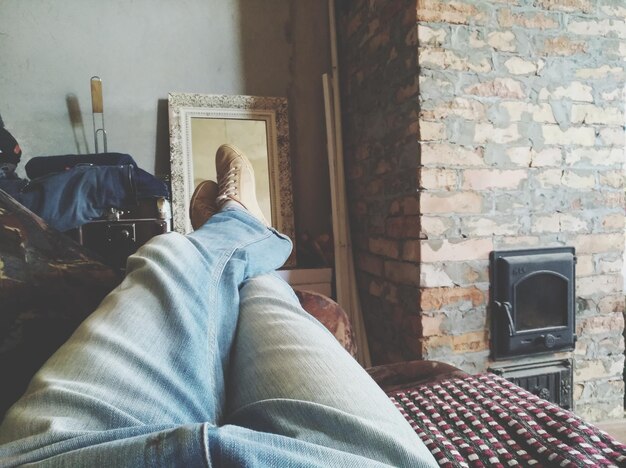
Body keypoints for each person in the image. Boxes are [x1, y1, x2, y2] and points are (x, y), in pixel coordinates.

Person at [0, 144, 437, 467]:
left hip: (69, 452)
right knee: (248, 286)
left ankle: (237, 233)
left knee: (169, 254)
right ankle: (239, 231)